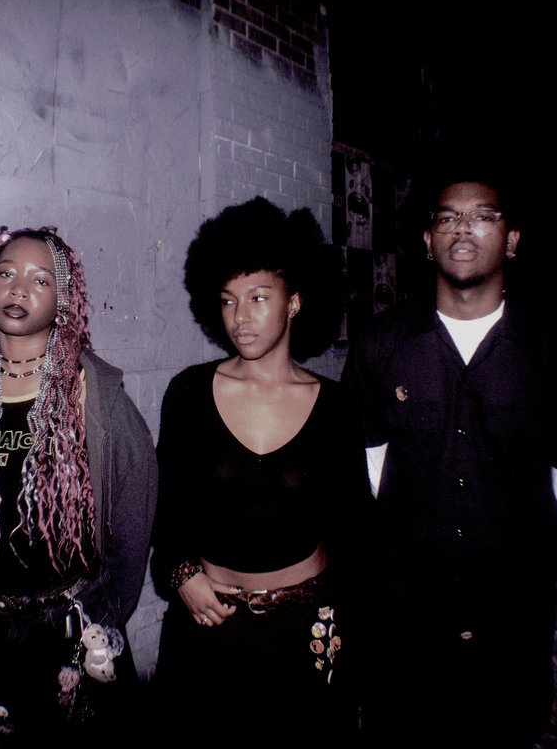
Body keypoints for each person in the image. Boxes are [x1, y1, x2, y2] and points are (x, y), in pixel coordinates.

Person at [343, 170, 557, 748]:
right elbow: (366, 456)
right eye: (448, 217)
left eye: (483, 216)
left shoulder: (552, 348)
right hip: (406, 614)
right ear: (427, 239)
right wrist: (419, 519)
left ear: (511, 240)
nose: (463, 228)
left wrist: (516, 523)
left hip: (510, 614)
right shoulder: (382, 344)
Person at [150, 198, 364, 746]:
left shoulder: (336, 407)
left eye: (258, 297)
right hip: (210, 623)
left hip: (307, 627)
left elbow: (355, 530)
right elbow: (165, 508)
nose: (240, 317)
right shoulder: (189, 393)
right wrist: (181, 577)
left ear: (294, 302)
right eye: (228, 300)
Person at [0, 226, 158, 746]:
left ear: (64, 301)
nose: (18, 288)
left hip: (77, 629)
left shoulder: (95, 396)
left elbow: (133, 520)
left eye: (40, 280)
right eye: (6, 274)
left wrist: (106, 614)